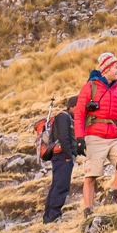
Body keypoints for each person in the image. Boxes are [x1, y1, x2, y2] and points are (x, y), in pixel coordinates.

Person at [73, 52, 117, 222]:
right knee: (91, 175)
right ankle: (88, 210)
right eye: (116, 67)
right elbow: (79, 114)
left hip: (114, 136)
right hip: (93, 136)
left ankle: (113, 193)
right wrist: (79, 138)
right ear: (106, 69)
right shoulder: (89, 87)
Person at [42, 96, 77, 224]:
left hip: (59, 156)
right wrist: (68, 156)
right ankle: (54, 216)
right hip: (62, 156)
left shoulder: (65, 117)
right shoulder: (64, 117)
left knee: (56, 185)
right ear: (73, 106)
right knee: (61, 186)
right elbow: (63, 137)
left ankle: (48, 216)